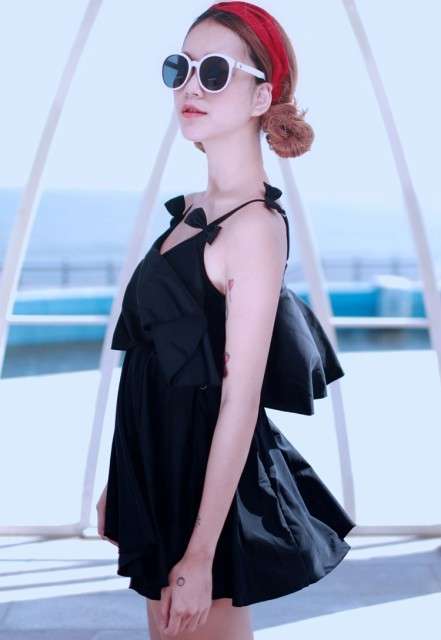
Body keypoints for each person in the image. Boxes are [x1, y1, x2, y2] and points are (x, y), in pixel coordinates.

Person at [96, 2, 355, 638]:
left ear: (262, 95)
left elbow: (241, 400)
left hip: (202, 478)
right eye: (180, 67)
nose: (191, 85)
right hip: (157, 463)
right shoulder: (191, 212)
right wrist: (120, 481)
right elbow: (151, 358)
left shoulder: (254, 229)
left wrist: (202, 552)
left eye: (215, 71)